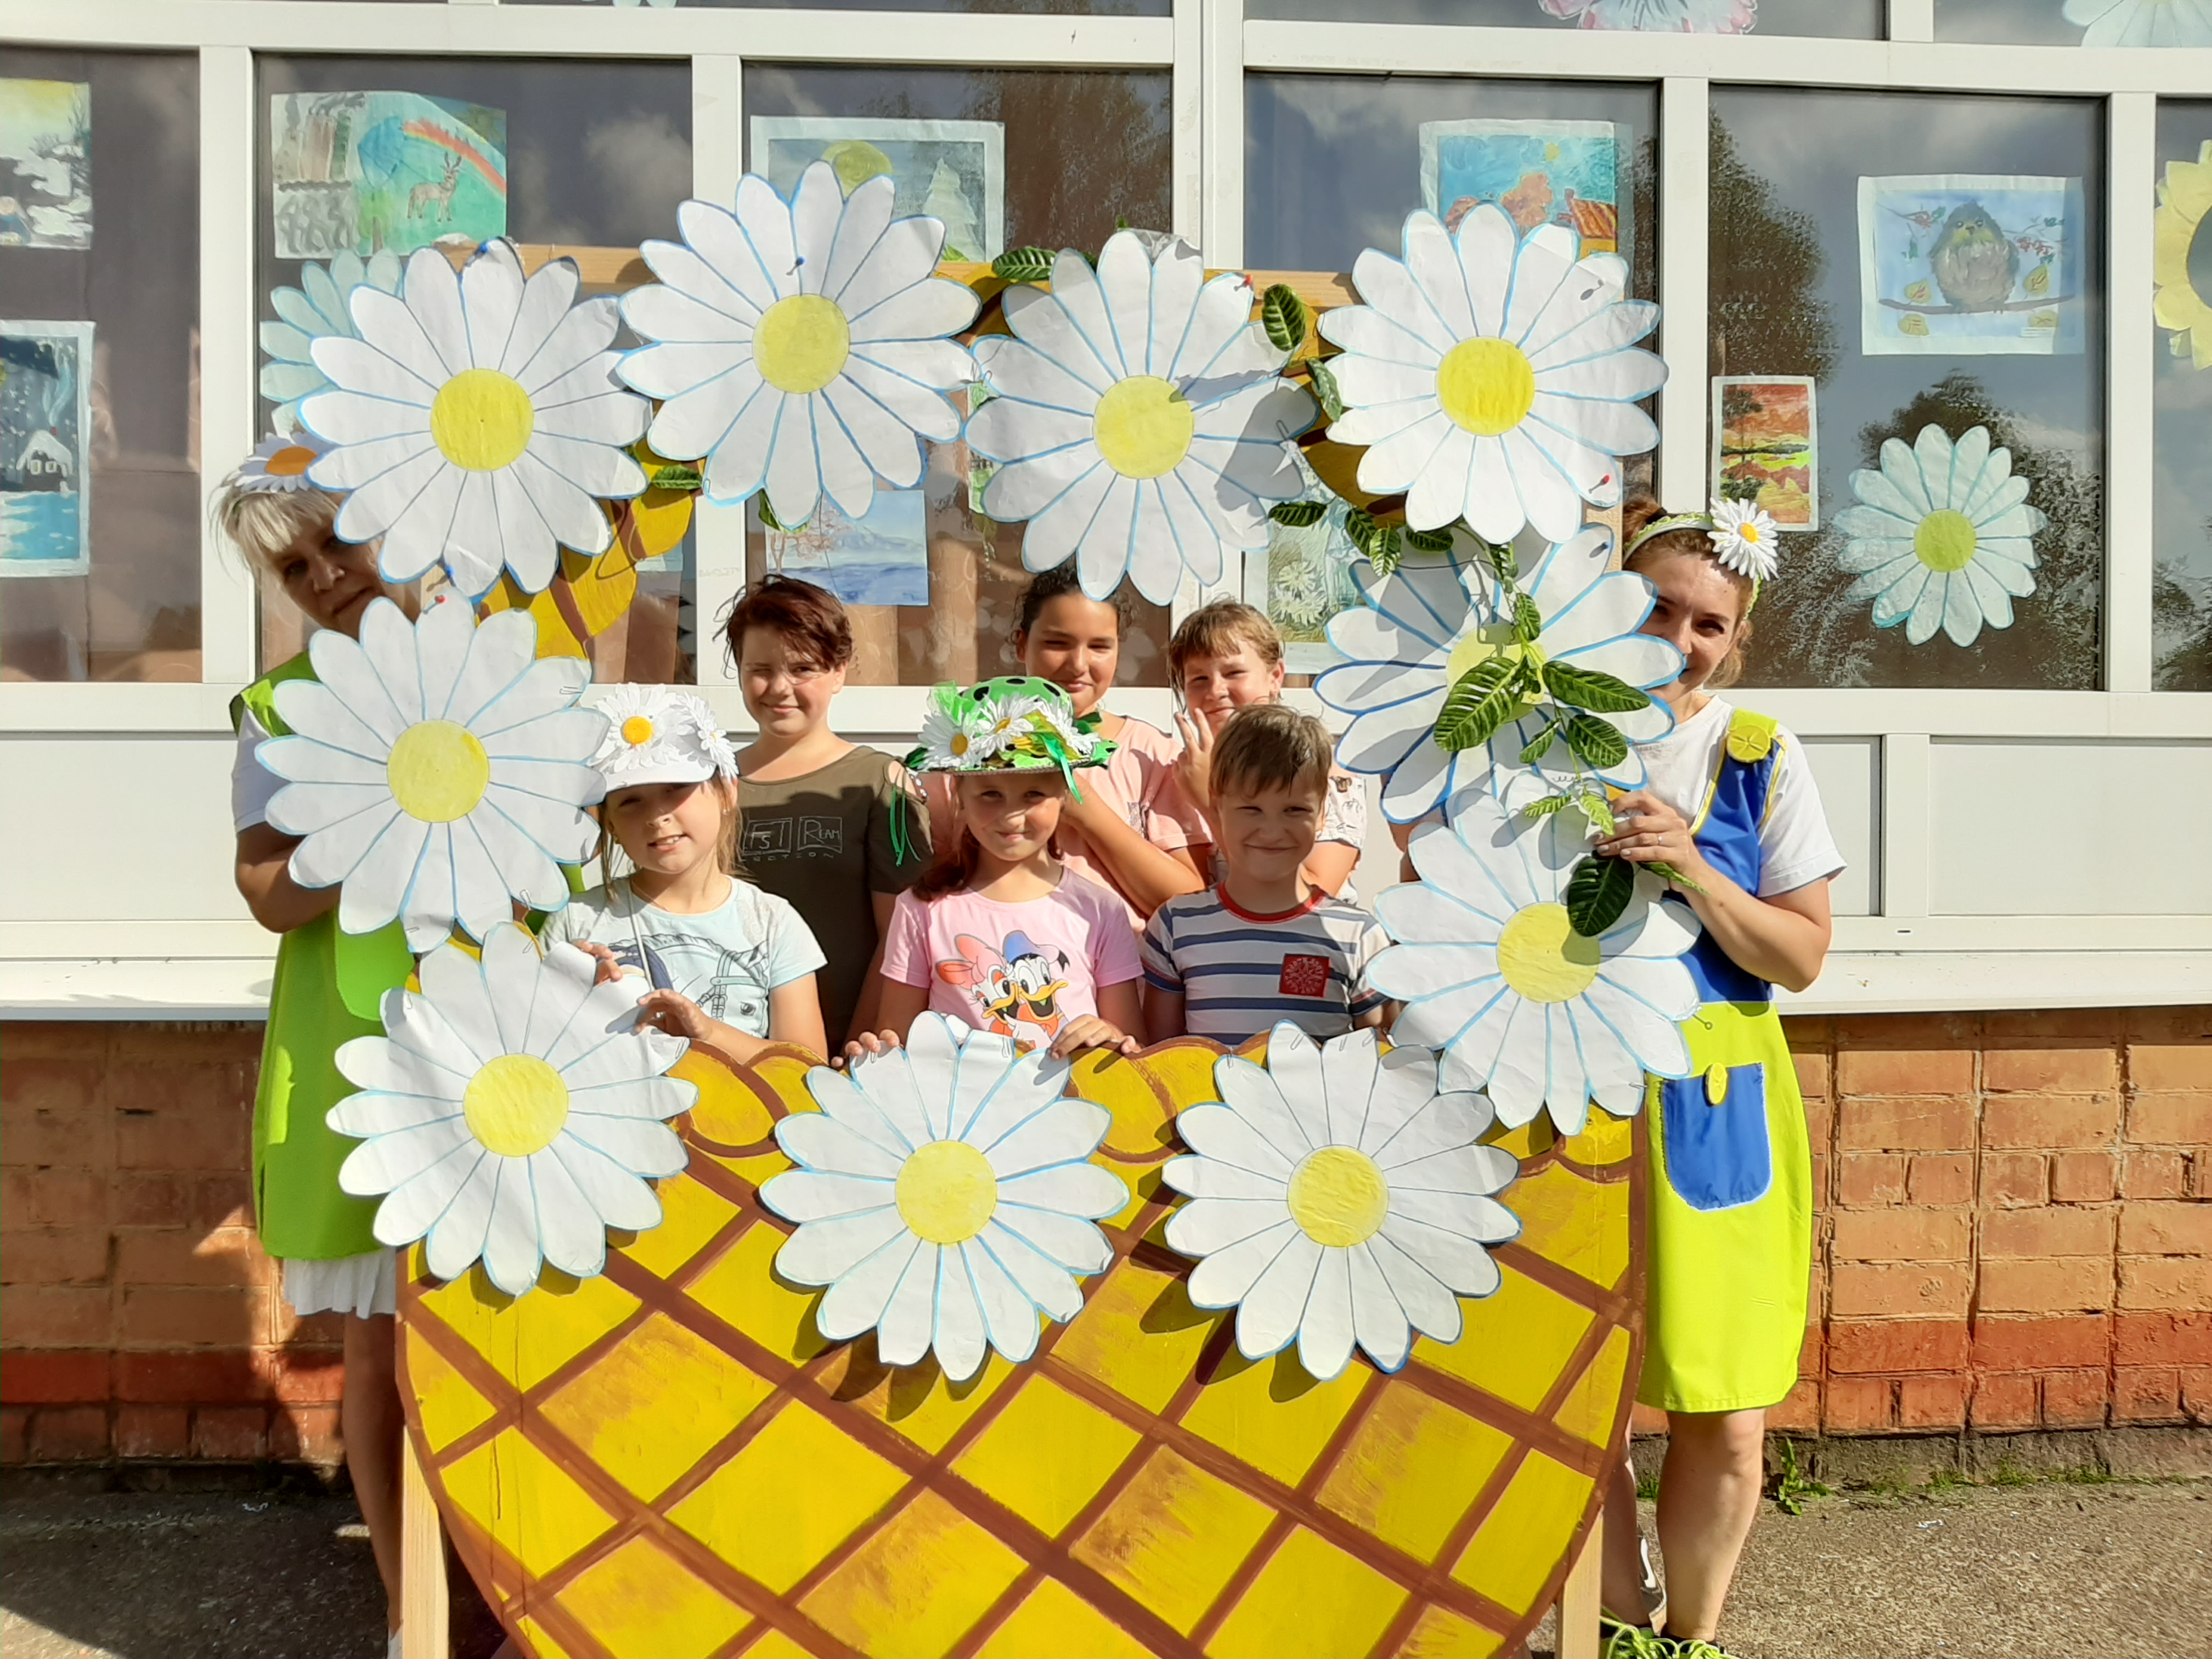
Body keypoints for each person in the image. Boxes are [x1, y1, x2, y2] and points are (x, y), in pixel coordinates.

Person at [1593, 496, 1843, 1659]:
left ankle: (1686, 1643)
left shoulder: (1757, 755)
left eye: (1709, 622)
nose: (1679, 638)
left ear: (1735, 639)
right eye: (1656, 606)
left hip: (1717, 1101)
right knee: (1574, 1390)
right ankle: (1609, 1626)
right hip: (1570, 1088)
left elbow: (1798, 955)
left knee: (1727, 1412)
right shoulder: (1537, 736)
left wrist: (1690, 863)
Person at [219, 433, 418, 1658]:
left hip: (509, 1034)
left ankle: (513, 1589)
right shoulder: (275, 712)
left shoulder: (491, 668)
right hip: (359, 1048)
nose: (328, 575)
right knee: (386, 1348)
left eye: (340, 541)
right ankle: (412, 1611)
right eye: (296, 570)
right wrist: (369, 811)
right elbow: (267, 895)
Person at [859, 678, 1143, 1061]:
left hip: (1071, 1111)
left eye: (1033, 795)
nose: (1011, 816)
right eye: (991, 794)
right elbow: (895, 1044)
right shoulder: (921, 908)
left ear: (1064, 793)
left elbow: (1130, 1045)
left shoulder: (1100, 910)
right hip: (960, 1116)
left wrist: (1109, 1036)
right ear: (958, 792)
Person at [544, 686, 830, 1063]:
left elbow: (806, 1068)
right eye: (631, 801)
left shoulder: (773, 924)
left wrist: (709, 1033)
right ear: (609, 823)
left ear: (728, 791)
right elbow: (535, 1048)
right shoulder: (575, 921)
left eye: (676, 788)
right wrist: (572, 986)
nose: (657, 816)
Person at [926, 564, 1207, 928]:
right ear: (1022, 644)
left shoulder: (1151, 755)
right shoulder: (970, 750)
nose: (1078, 664)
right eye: (1057, 644)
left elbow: (1190, 907)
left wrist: (1084, 808)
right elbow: (937, 885)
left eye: (1100, 647)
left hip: (1125, 978)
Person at [720, 577, 931, 1046]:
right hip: (726, 1046)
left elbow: (901, 941)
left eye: (803, 669)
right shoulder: (709, 785)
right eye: (760, 668)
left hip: (850, 1048)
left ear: (839, 672)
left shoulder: (879, 782)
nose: (779, 687)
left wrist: (862, 1042)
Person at [1141, 703, 1392, 1046]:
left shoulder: (1361, 936)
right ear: (1217, 808)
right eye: (1251, 809)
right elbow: (1161, 1059)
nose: (1272, 831)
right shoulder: (1175, 925)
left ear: (1322, 814)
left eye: (1294, 810)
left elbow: (1378, 1064)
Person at [1166, 598, 1367, 897]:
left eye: (1234, 673)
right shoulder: (1177, 774)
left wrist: (1210, 805)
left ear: (1275, 677)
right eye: (1199, 679)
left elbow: (1316, 890)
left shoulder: (1321, 768)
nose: (1216, 690)